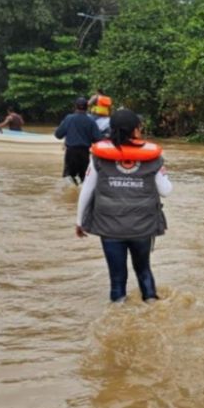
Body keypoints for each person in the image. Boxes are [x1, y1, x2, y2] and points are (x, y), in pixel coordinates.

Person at [76, 109, 172, 302]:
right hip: (142, 227)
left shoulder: (98, 156)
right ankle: (152, 306)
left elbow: (87, 189)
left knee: (117, 279)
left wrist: (79, 221)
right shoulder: (153, 158)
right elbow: (166, 191)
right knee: (144, 270)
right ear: (136, 130)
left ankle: (118, 312)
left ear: (112, 129)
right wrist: (164, 173)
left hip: (110, 228)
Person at [55, 97, 103, 184]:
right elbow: (98, 139)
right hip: (84, 153)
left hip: (71, 153)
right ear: (87, 107)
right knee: (84, 179)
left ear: (75, 107)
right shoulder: (91, 121)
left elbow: (58, 135)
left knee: (68, 177)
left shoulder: (69, 118)